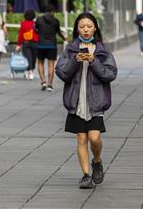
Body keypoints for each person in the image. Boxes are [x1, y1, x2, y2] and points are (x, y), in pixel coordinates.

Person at [55, 12, 117, 189]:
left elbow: (111, 74)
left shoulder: (102, 50)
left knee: (94, 137)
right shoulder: (71, 49)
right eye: (82, 27)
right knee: (81, 138)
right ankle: (85, 174)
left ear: (95, 27)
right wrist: (75, 60)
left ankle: (96, 161)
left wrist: (94, 61)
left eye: (89, 26)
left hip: (96, 102)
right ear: (77, 29)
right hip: (76, 102)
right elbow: (61, 73)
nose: (86, 30)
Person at [35, 4, 67, 91]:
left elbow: (35, 29)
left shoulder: (39, 19)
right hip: (52, 45)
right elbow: (58, 32)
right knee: (51, 65)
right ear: (53, 11)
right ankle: (50, 84)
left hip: (41, 44)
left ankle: (43, 81)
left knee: (40, 62)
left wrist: (41, 33)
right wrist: (64, 38)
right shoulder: (55, 20)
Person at [16, 9, 39, 80]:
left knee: (28, 57)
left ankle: (29, 70)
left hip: (26, 43)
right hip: (35, 43)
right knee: (33, 58)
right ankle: (31, 71)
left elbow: (20, 35)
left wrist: (18, 44)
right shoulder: (35, 24)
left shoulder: (23, 24)